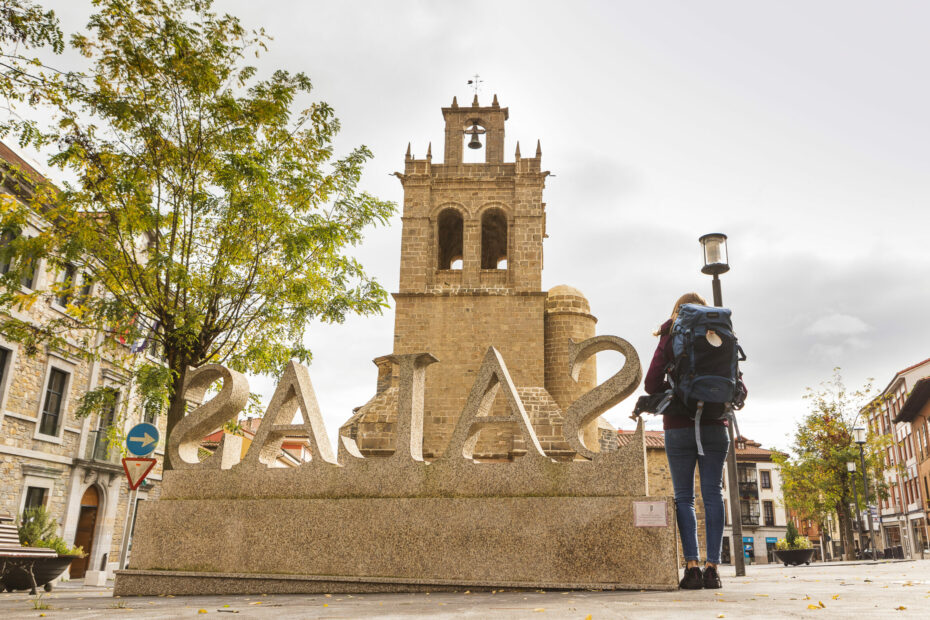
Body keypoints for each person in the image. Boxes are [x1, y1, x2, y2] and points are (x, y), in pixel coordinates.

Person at [644, 292, 729, 590]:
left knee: (684, 497)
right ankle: (712, 569)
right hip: (715, 424)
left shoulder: (671, 333)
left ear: (677, 311)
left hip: (678, 425)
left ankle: (692, 569)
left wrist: (675, 389)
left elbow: (651, 383)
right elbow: (738, 384)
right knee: (713, 494)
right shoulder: (720, 332)